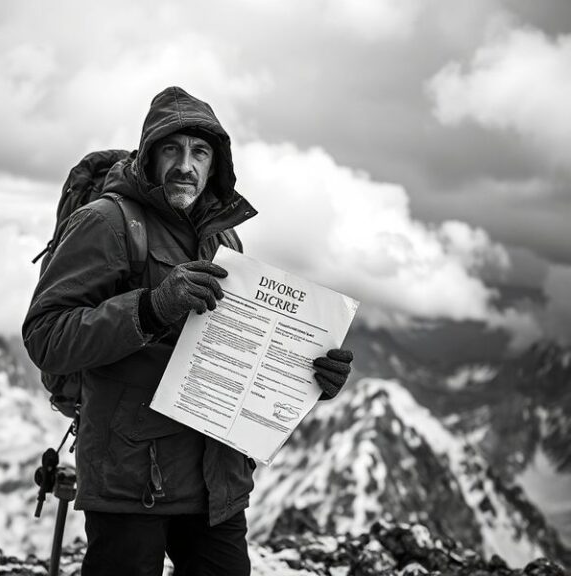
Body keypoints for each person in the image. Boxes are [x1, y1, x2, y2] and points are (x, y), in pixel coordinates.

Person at [22, 86, 353, 576]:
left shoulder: (224, 236)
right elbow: (46, 336)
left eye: (200, 152)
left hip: (216, 484)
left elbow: (238, 351)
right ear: (149, 156)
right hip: (131, 481)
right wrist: (151, 308)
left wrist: (308, 376)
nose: (185, 165)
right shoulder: (106, 223)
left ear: (215, 165)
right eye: (172, 149)